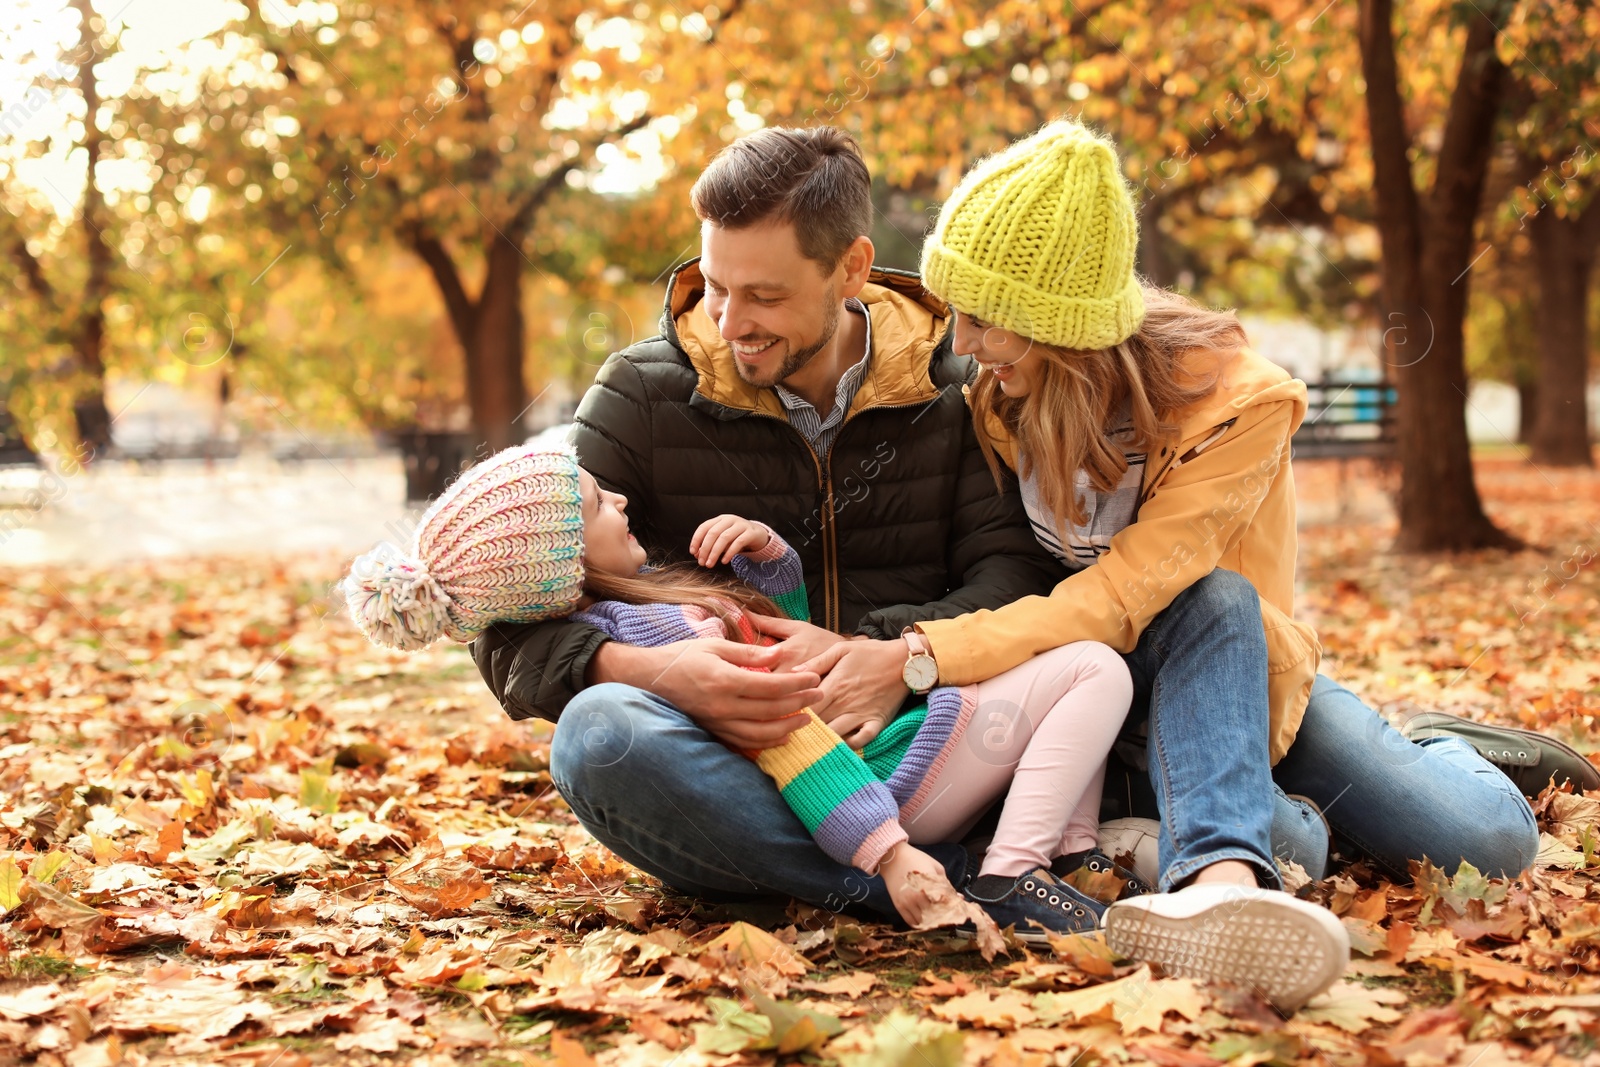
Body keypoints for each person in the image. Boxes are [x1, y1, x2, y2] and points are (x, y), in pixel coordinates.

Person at [829, 118, 1545, 1013]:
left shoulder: (1236, 405)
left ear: (1059, 323)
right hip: (1095, 691)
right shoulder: (1005, 399)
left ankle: (1443, 748)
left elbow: (1132, 592)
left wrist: (921, 652)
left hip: (1229, 668)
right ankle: (1226, 873)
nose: (964, 344)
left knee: (1483, 842)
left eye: (985, 319)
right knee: (1298, 850)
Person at [470, 125, 1076, 923]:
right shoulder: (641, 394)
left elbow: (1020, 575)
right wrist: (656, 673)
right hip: (744, 772)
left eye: (765, 295)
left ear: (851, 268)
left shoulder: (956, 383)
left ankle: (921, 861)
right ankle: (940, 878)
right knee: (600, 737)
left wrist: (893, 655)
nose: (728, 322)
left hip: (934, 740)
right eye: (717, 286)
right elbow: (506, 621)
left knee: (1286, 834)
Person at [343, 443, 1147, 940]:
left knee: (1080, 665)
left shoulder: (654, 601)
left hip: (891, 758)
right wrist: (893, 854)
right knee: (1094, 668)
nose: (619, 499)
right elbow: (789, 731)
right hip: (892, 779)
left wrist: (771, 569)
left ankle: (1066, 858)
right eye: (596, 501)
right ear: (561, 566)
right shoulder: (650, 632)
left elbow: (783, 651)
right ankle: (1014, 870)